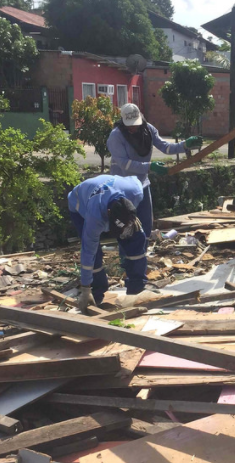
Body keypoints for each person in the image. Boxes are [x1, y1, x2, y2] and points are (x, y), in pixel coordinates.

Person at [107, 103, 203, 239]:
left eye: (135, 123)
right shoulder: (116, 136)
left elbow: (166, 147)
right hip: (123, 187)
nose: (133, 127)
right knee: (126, 227)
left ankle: (142, 255)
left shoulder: (148, 130)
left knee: (145, 224)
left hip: (142, 184)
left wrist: (185, 145)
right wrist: (150, 166)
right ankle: (127, 258)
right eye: (130, 125)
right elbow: (124, 164)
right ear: (123, 121)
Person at [67, 174, 147, 313]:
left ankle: (136, 289)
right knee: (94, 254)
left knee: (137, 238)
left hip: (116, 192)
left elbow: (137, 180)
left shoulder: (136, 192)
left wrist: (133, 223)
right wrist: (86, 288)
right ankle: (96, 294)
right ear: (109, 214)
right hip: (79, 203)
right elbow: (87, 252)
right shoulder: (94, 217)